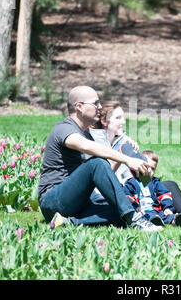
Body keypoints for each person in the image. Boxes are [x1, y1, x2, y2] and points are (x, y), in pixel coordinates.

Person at [37, 85, 163, 232]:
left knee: (120, 210)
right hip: (53, 201)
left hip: (78, 203)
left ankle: (69, 222)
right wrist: (127, 160)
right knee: (97, 162)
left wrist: (122, 148)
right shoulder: (64, 129)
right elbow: (87, 149)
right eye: (95, 103)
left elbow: (103, 170)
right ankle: (134, 220)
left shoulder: (86, 134)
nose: (100, 106)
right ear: (79, 107)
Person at [90, 101, 181, 229]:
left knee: (169, 185)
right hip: (109, 195)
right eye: (118, 118)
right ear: (104, 121)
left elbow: (141, 176)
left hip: (132, 187)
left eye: (123, 117)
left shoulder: (121, 140)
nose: (123, 122)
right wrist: (121, 158)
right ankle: (154, 216)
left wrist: (139, 161)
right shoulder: (95, 143)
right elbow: (101, 178)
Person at [123, 150, 181, 227]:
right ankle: (154, 222)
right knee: (147, 217)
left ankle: (175, 220)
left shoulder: (155, 182)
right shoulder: (131, 183)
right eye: (146, 167)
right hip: (142, 212)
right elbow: (128, 198)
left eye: (153, 169)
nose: (149, 171)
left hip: (157, 210)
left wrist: (167, 208)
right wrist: (136, 208)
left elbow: (165, 195)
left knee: (166, 215)